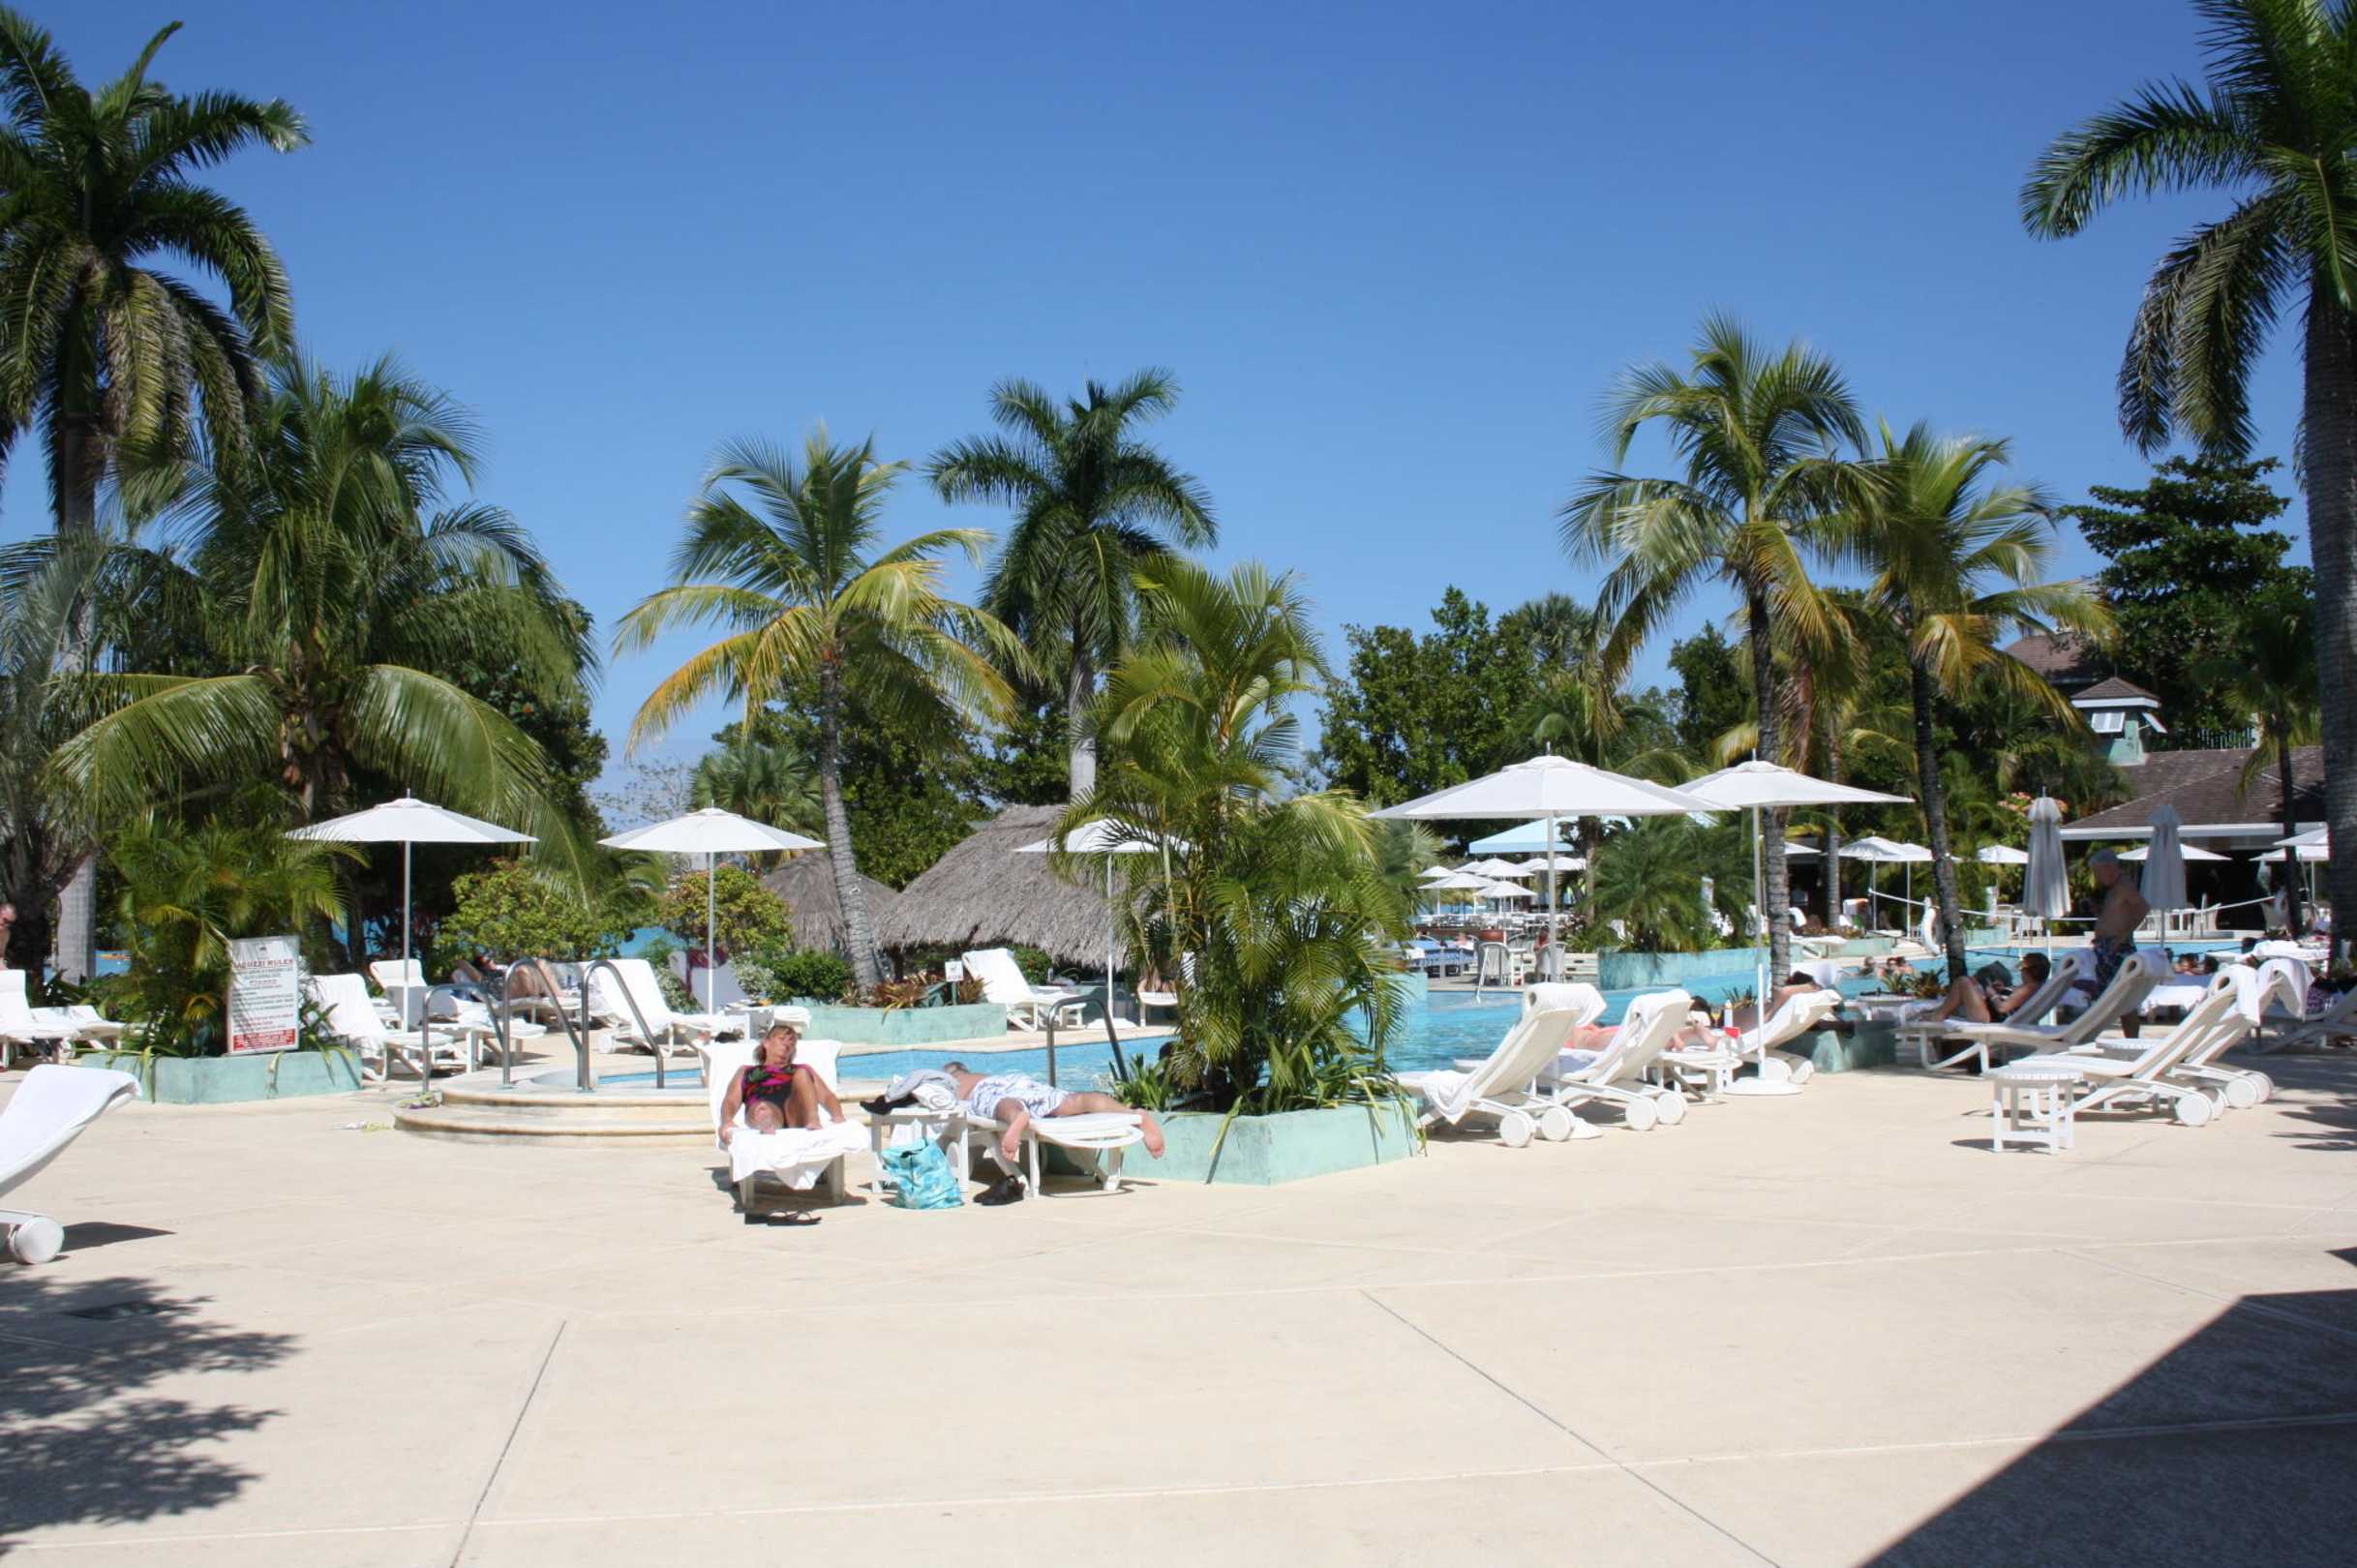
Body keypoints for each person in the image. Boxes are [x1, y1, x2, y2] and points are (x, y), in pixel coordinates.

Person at [941, 1061, 1166, 1167]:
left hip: (987, 1092)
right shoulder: (984, 1075)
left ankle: (1017, 1116)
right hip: (1021, 1082)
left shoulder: (953, 1083)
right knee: (1074, 1100)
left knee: (1003, 1104)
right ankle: (1134, 1113)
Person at [719, 1021, 842, 1144]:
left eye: (791, 1042)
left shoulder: (800, 1069)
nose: (787, 1044)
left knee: (802, 1074)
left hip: (794, 1110)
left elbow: (827, 1096)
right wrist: (727, 1121)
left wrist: (838, 1116)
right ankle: (767, 1122)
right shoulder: (746, 1071)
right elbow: (731, 1100)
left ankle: (813, 1120)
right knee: (761, 1108)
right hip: (762, 1108)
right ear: (766, 1043)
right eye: (782, 1039)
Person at [2085, 849, 2150, 1037]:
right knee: (2114, 997)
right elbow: (2119, 915)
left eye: (2098, 872)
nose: (2097, 877)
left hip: (2117, 947)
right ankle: (2129, 1039)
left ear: (2109, 868)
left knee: (2123, 999)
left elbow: (2144, 908)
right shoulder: (2115, 888)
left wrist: (2123, 935)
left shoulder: (2123, 886)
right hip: (2108, 945)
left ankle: (2132, 1040)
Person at [1919, 952, 2051, 1027]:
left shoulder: (2030, 987)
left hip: (1991, 1021)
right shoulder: (2033, 986)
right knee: (1970, 982)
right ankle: (1940, 1013)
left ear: (2029, 971)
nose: (2020, 971)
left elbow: (2002, 1008)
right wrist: (2003, 989)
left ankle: (1939, 1015)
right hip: (1992, 1016)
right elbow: (2014, 1001)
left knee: (1963, 982)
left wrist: (1992, 994)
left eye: (2022, 968)